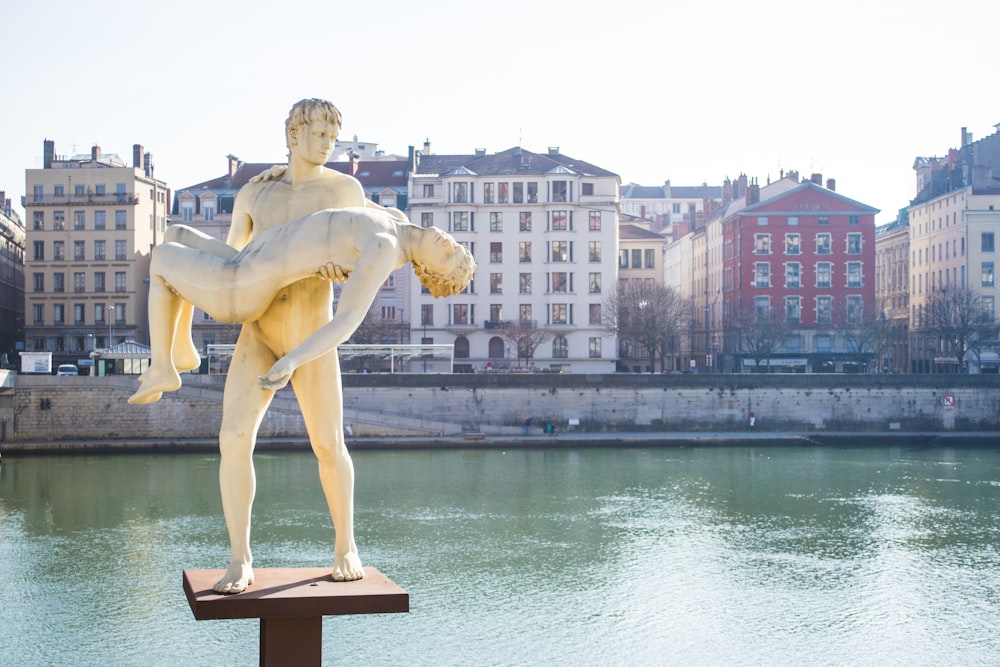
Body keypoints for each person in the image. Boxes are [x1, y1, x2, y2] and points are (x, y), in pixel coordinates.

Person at [134, 99, 470, 595]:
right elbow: (235, 258)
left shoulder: (346, 188)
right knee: (233, 439)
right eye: (319, 137)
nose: (328, 146)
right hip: (260, 328)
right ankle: (239, 557)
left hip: (311, 331)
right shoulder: (253, 194)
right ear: (293, 135)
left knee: (329, 444)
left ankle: (345, 546)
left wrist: (346, 268)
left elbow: (385, 236)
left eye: (334, 139)